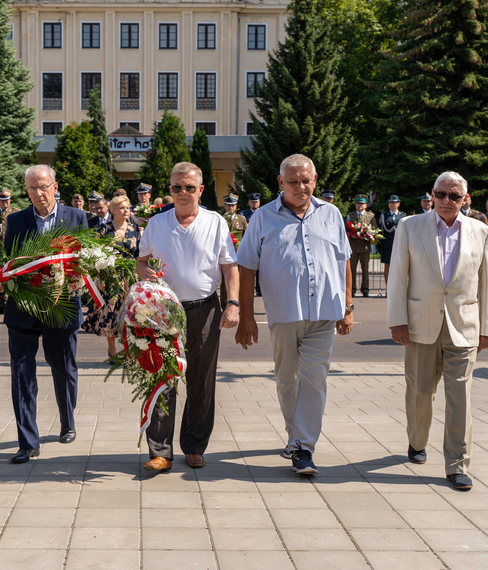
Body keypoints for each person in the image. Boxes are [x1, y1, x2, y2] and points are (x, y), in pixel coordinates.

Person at [236, 154, 353, 475]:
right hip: (284, 314)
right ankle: (295, 433)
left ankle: (303, 446)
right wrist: (246, 317)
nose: (301, 187)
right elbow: (246, 266)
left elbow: (344, 260)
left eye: (306, 181)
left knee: (314, 379)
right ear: (280, 183)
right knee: (287, 379)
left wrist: (348, 306)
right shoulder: (262, 218)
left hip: (324, 314)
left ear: (314, 180)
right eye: (293, 182)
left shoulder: (331, 214)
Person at [388, 171, 488, 491]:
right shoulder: (410, 226)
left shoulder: (481, 231)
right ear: (431, 195)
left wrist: (487, 327)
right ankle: (417, 441)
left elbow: (487, 283)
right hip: (421, 324)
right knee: (420, 392)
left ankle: (457, 463)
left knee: (460, 396)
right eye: (440, 194)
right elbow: (397, 276)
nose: (446, 201)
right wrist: (397, 320)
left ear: (466, 200)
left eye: (454, 196)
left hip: (464, 325)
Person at [136, 161, 239, 473]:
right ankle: (160, 452)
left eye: (189, 188)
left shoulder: (216, 222)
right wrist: (145, 273)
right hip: (164, 311)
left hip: (205, 309)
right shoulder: (156, 224)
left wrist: (233, 303)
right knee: (162, 379)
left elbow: (230, 266)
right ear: (170, 190)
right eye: (177, 187)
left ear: (201, 190)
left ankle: (194, 446)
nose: (183, 193)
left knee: (201, 381)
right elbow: (140, 262)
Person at [0, 164, 88, 464]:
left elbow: (87, 259)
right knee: (21, 373)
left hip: (62, 307)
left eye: (43, 187)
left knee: (63, 366)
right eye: (31, 188)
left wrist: (76, 278)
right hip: (24, 310)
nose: (38, 194)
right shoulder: (16, 220)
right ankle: (28, 442)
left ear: (55, 187)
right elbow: (7, 263)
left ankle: (67, 420)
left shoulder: (76, 217)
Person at [83, 195, 140, 357]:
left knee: (130, 314)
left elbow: (138, 255)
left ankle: (129, 350)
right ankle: (112, 349)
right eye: (122, 208)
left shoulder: (135, 229)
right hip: (110, 277)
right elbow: (95, 254)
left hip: (130, 277)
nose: (126, 211)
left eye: (127, 208)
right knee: (110, 313)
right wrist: (99, 276)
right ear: (113, 210)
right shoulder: (105, 229)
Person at [345, 194, 377, 297]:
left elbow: (374, 230)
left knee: (365, 270)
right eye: (358, 204)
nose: (360, 206)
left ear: (366, 205)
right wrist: (351, 235)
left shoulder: (370, 216)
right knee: (352, 270)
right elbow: (346, 229)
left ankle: (365, 289)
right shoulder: (351, 215)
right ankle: (352, 290)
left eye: (362, 204)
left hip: (365, 246)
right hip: (353, 247)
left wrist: (367, 236)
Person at [378, 195, 406, 285]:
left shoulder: (403, 215)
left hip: (400, 245)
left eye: (394, 203)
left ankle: (398, 288)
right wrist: (380, 247)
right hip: (387, 246)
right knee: (388, 267)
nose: (392, 204)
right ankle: (388, 288)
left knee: (400, 267)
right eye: (390, 203)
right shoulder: (384, 215)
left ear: (398, 204)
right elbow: (381, 231)